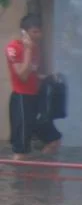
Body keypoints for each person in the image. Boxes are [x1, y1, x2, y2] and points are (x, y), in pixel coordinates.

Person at [6, 14, 61, 160]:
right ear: (24, 32)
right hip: (21, 99)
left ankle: (40, 166)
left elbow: (33, 74)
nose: (39, 35)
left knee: (54, 141)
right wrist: (28, 50)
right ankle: (18, 171)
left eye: (39, 31)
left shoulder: (36, 48)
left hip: (36, 98)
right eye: (34, 32)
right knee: (21, 150)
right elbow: (23, 75)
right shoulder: (14, 47)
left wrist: (48, 77)